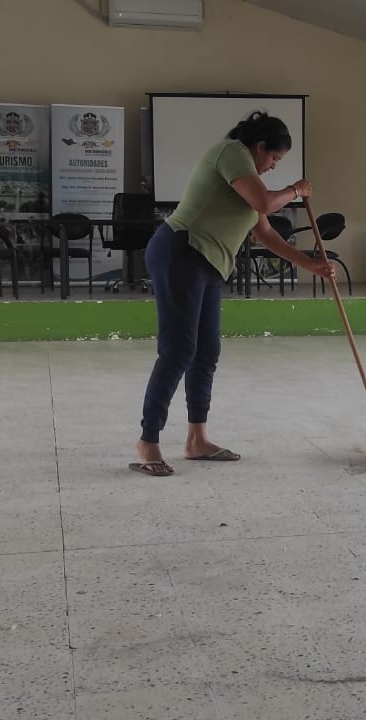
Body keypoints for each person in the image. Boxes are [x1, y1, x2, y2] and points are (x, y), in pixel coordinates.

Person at [130, 112, 334, 477]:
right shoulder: (232, 153)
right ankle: (148, 441)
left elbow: (265, 233)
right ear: (259, 147)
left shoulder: (248, 180)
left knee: (206, 352)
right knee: (178, 350)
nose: (274, 166)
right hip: (181, 251)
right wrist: (296, 191)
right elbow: (265, 202)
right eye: (274, 158)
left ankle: (197, 440)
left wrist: (311, 264)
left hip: (207, 263)